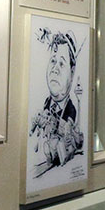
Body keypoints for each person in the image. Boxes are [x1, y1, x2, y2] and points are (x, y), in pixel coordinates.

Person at [29, 32, 83, 173]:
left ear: (72, 73)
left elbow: (69, 126)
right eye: (53, 61)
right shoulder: (46, 102)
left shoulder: (70, 108)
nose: (55, 69)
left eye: (62, 63)